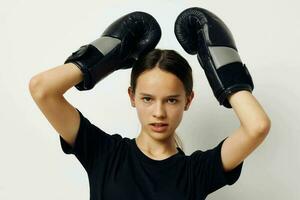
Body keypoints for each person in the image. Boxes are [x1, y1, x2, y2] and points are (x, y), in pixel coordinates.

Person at [29, 8, 271, 200]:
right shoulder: (104, 153)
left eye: (172, 100)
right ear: (132, 97)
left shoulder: (196, 172)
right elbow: (42, 89)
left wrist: (222, 69)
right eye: (147, 98)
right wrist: (106, 55)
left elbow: (257, 126)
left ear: (188, 100)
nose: (159, 112)